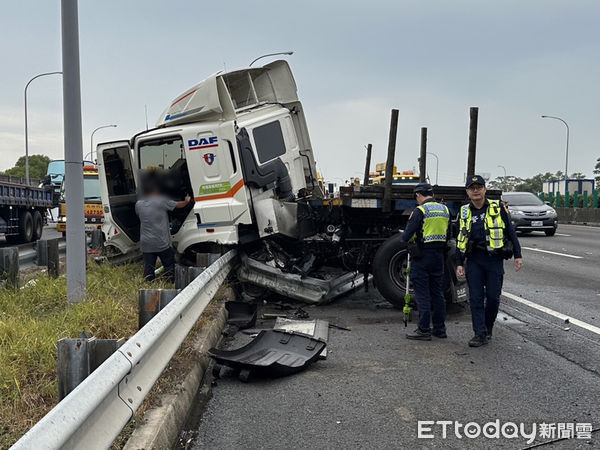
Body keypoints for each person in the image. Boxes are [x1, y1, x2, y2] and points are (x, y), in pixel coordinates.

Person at [456, 175, 523, 347]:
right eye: (472, 188)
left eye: (479, 187)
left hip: (493, 259)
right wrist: (458, 263)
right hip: (474, 260)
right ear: (467, 192)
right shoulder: (464, 211)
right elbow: (460, 238)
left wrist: (518, 255)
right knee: (476, 298)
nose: (476, 190)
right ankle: (479, 333)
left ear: (485, 190)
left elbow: (510, 232)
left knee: (493, 298)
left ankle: (488, 326)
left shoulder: (498, 208)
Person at [402, 183, 450, 341]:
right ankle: (440, 329)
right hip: (439, 256)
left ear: (418, 195)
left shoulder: (420, 210)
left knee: (423, 295)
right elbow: (449, 235)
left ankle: (423, 329)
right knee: (438, 294)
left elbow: (406, 236)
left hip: (422, 256)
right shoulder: (444, 209)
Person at [135, 180, 191, 282]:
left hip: (146, 243)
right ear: (155, 190)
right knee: (169, 265)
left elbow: (140, 214)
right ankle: (169, 283)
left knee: (149, 268)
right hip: (161, 242)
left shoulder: (138, 204)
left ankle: (149, 284)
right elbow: (179, 205)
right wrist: (187, 201)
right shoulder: (161, 201)